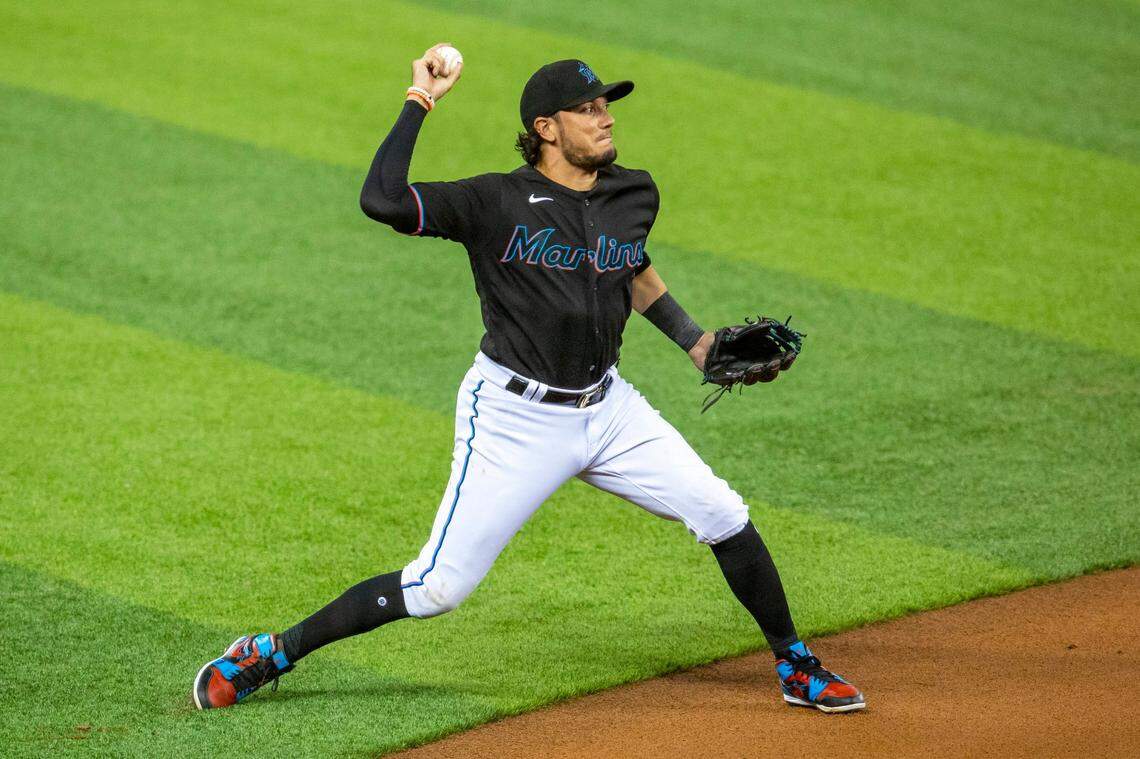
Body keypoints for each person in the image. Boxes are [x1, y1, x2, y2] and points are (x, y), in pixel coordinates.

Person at [192, 44, 865, 715]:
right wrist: (420, 98)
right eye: (589, 108)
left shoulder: (634, 192)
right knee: (436, 587)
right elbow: (383, 199)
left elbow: (628, 265)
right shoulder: (494, 201)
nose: (606, 119)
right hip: (514, 419)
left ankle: (795, 663)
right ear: (547, 127)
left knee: (723, 513)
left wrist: (695, 340)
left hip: (609, 410)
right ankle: (272, 651)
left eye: (608, 106)